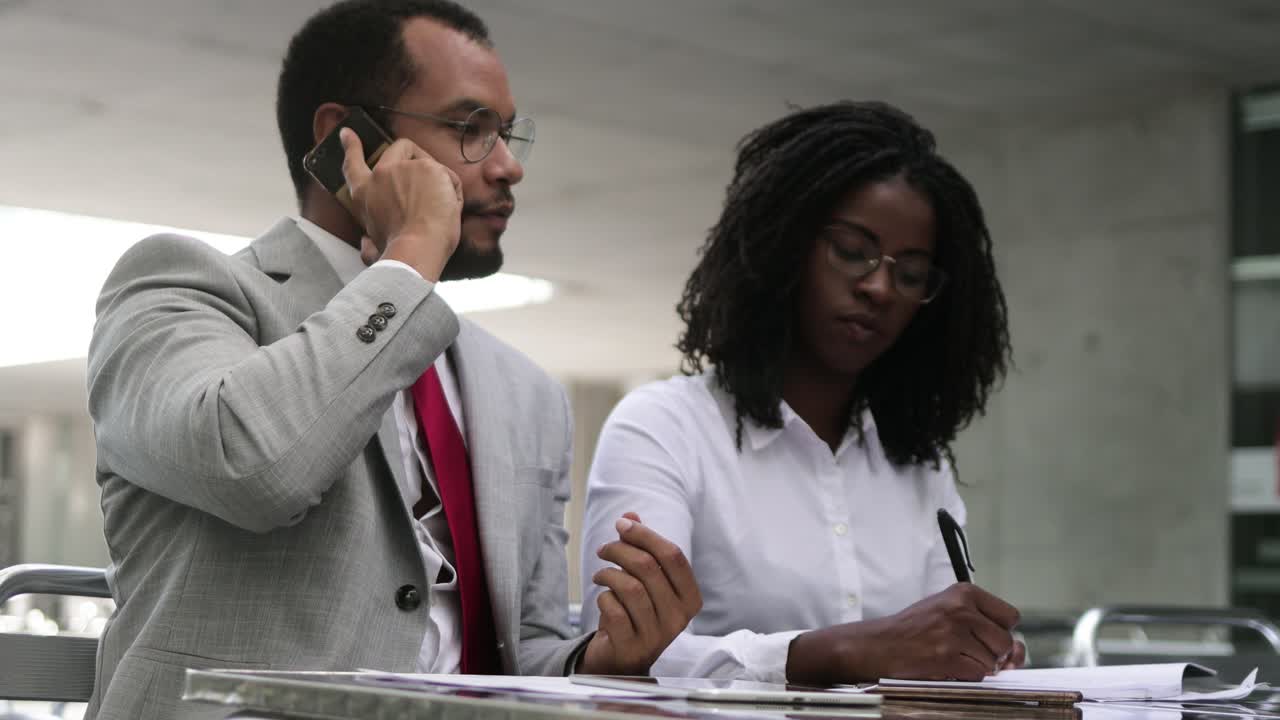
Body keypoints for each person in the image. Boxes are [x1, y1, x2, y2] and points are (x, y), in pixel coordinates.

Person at [85, 2, 700, 717]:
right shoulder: (177, 286)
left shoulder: (527, 392)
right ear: (345, 138)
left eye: (507, 135)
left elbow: (519, 647)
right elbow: (252, 466)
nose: (507, 167)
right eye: (470, 129)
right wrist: (410, 258)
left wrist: (598, 661)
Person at [581, 101, 1021, 685]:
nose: (880, 287)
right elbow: (619, 653)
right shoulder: (663, 428)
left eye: (911, 275)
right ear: (783, 243)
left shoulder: (920, 463)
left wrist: (976, 652)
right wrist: (847, 651)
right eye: (853, 252)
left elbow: (934, 649)